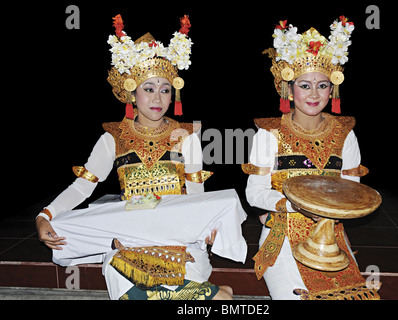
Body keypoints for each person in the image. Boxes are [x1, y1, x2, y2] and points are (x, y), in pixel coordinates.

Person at [35, 14, 245, 300]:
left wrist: (209, 227)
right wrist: (45, 216)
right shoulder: (114, 138)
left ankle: (210, 293)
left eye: (165, 90)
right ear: (132, 93)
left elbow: (197, 196)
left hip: (179, 237)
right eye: (149, 89)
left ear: (174, 94)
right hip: (128, 237)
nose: (158, 98)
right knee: (122, 275)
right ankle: (214, 296)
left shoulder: (186, 137)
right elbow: (83, 187)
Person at [242, 17, 380, 300]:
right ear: (289, 90)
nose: (314, 94)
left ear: (333, 89)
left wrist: (329, 212)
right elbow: (254, 193)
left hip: (330, 238)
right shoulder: (269, 133)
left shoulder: (345, 133)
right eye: (305, 85)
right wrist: (294, 206)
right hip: (281, 233)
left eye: (322, 85)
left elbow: (350, 192)